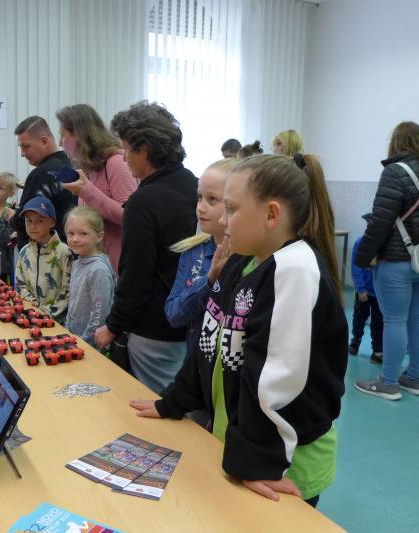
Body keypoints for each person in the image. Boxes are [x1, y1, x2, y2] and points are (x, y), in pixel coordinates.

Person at [131, 154, 347, 509]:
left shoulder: (294, 270)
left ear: (271, 215)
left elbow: (277, 378)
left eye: (231, 209)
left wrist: (256, 460)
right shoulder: (241, 260)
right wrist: (174, 401)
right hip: (243, 444)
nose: (222, 219)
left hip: (280, 460)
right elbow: (209, 342)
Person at [94, 101, 197, 394]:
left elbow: (136, 275)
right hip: (188, 322)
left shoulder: (144, 201)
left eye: (127, 149)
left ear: (145, 149)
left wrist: (113, 326)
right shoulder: (195, 186)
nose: (124, 158)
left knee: (152, 407)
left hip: (153, 331)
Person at [354, 121, 419, 401]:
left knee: (394, 320)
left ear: (396, 143)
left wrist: (362, 257)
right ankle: (415, 378)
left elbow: (380, 221)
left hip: (395, 260)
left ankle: (388, 383)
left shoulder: (394, 171)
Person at [165, 158, 237, 356]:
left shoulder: (249, 257)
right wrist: (208, 281)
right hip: (195, 363)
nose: (200, 207)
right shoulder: (193, 250)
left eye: (212, 199)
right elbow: (173, 314)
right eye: (199, 198)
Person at [56, 104, 137, 272]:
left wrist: (85, 190)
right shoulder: (91, 168)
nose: (60, 143)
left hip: (117, 267)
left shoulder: (115, 162)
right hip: (95, 266)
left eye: (63, 135)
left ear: (78, 135)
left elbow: (129, 216)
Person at [10, 116, 76, 247]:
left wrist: (11, 218)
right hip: (71, 247)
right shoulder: (74, 165)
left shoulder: (40, 174)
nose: (22, 153)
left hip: (46, 253)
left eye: (26, 146)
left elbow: (24, 220)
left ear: (44, 141)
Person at [64, 206, 116, 348]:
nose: (75, 239)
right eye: (71, 233)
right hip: (74, 342)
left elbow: (99, 316)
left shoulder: (98, 270)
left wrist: (84, 344)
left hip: (90, 348)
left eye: (83, 234)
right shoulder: (77, 263)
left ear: (99, 236)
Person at [15, 196, 72, 323]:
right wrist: (32, 306)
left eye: (40, 221)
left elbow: (68, 291)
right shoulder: (24, 251)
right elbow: (20, 284)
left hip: (56, 322)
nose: (33, 226)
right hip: (30, 316)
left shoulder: (64, 252)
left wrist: (46, 313)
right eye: (29, 221)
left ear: (52, 222)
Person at [349, 214, 384, 364]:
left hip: (379, 293)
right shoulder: (360, 243)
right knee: (359, 318)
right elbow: (355, 267)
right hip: (364, 291)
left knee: (379, 322)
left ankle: (377, 350)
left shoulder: (384, 246)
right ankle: (355, 341)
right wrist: (360, 288)